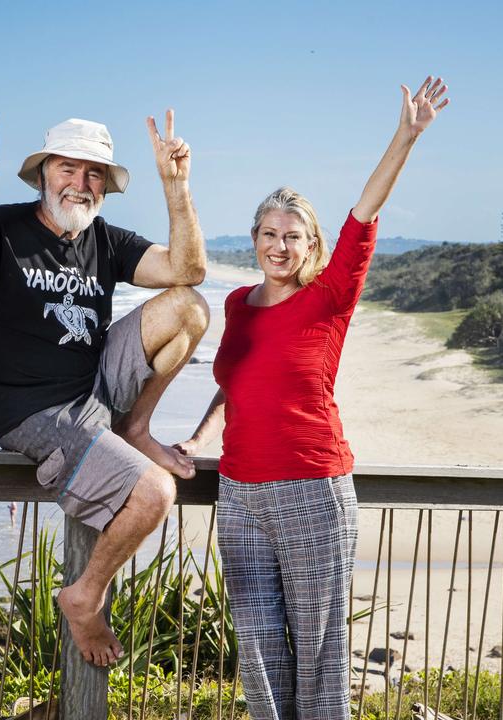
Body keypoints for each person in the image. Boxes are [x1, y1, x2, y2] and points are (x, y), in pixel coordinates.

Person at [176, 77, 451, 719]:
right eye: (268, 234)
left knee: (319, 657)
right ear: (254, 240)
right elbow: (236, 383)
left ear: (312, 246)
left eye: (292, 236)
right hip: (241, 495)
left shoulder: (328, 297)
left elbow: (365, 210)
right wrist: (197, 440)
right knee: (260, 654)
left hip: (311, 489)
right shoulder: (238, 304)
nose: (279, 245)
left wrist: (406, 134)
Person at [0, 112, 209, 666]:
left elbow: (189, 268)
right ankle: (84, 596)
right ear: (42, 174)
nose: (80, 183)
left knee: (189, 307)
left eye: (94, 174)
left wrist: (176, 188)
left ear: (105, 185)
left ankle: (135, 428)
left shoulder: (105, 239)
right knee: (154, 493)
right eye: (68, 168)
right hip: (32, 410)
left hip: (96, 390)